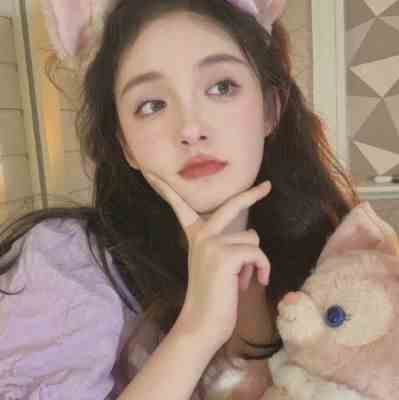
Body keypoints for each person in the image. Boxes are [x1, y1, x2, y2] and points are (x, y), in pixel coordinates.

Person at [0, 0, 359, 399]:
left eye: (221, 87)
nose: (190, 128)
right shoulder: (69, 262)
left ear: (270, 110)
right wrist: (196, 331)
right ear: (125, 145)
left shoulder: (333, 256)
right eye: (152, 105)